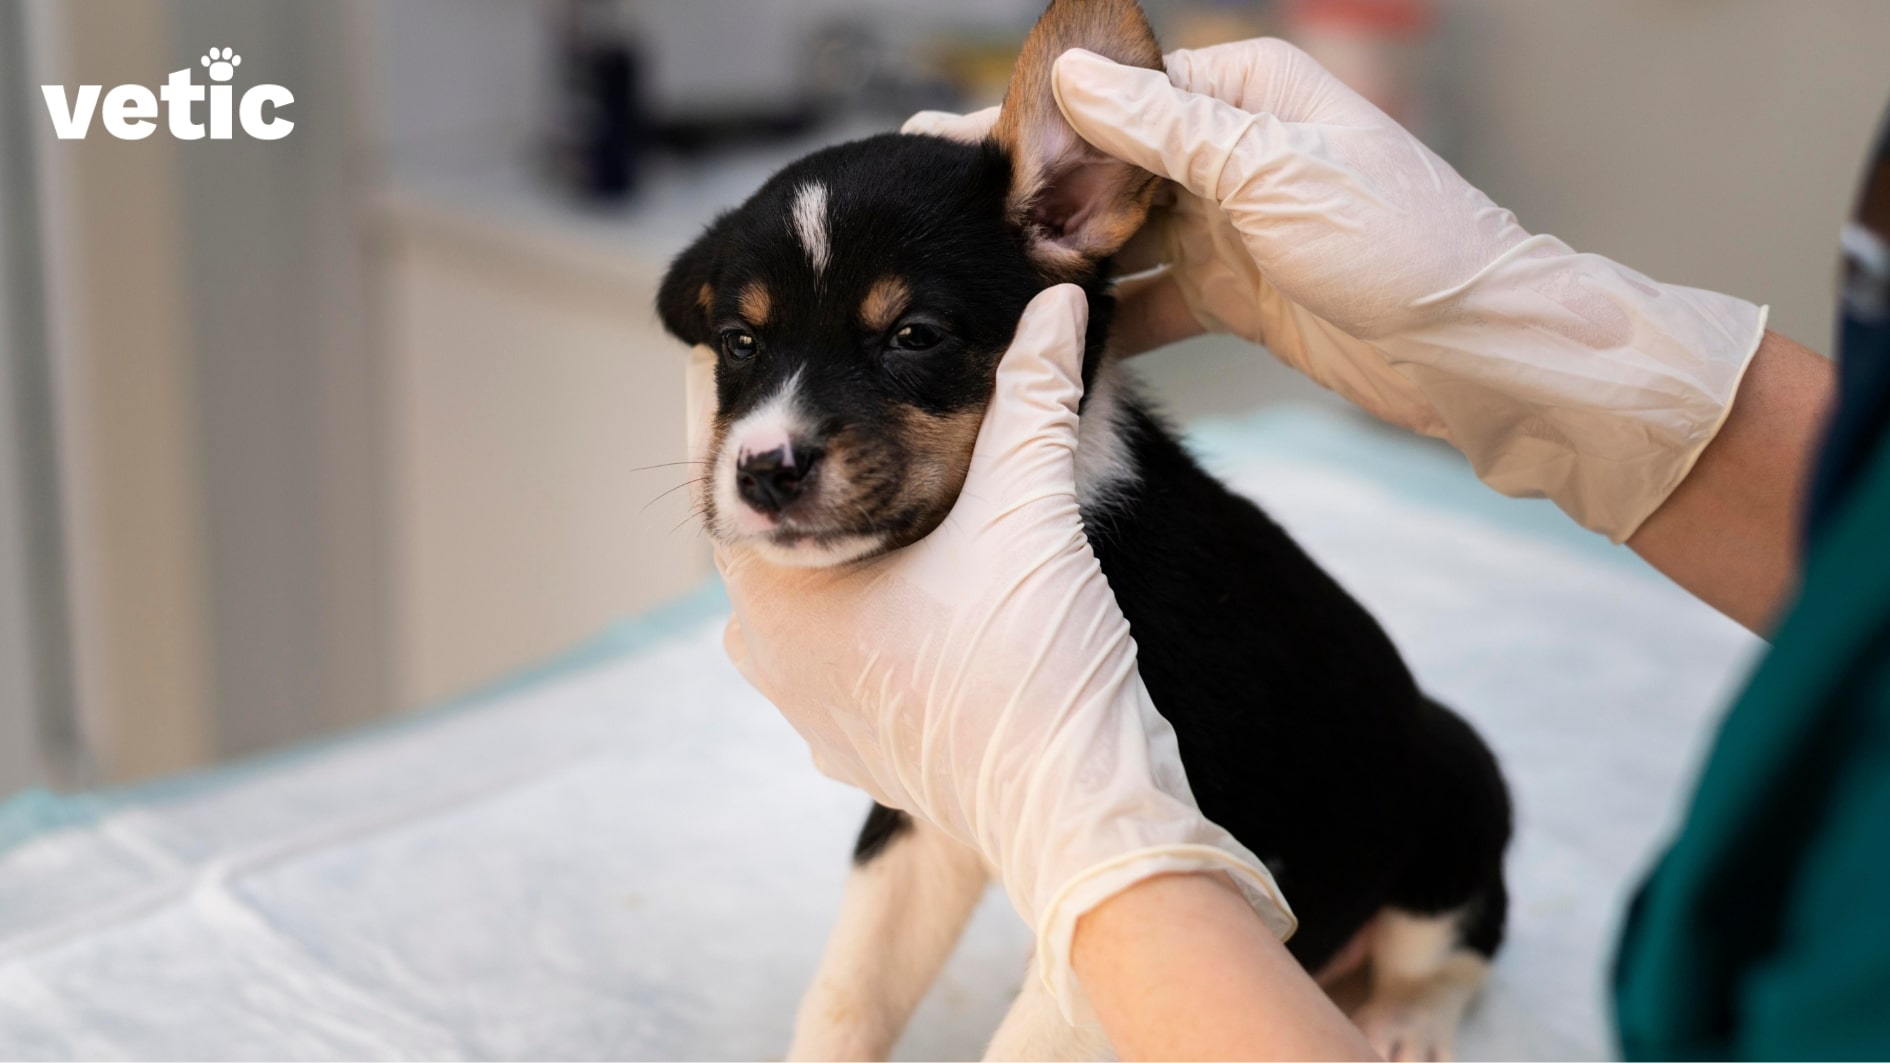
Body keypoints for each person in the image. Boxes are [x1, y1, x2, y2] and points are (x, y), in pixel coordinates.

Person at [692, 37, 1890, 1060]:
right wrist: (1555, 350)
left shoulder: (1124, 561)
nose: (776, 434)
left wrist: (1116, 876)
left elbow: (1103, 916)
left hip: (1360, 879)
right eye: (747, 355)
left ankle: (1434, 974)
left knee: (1449, 789)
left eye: (906, 335)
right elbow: (935, 819)